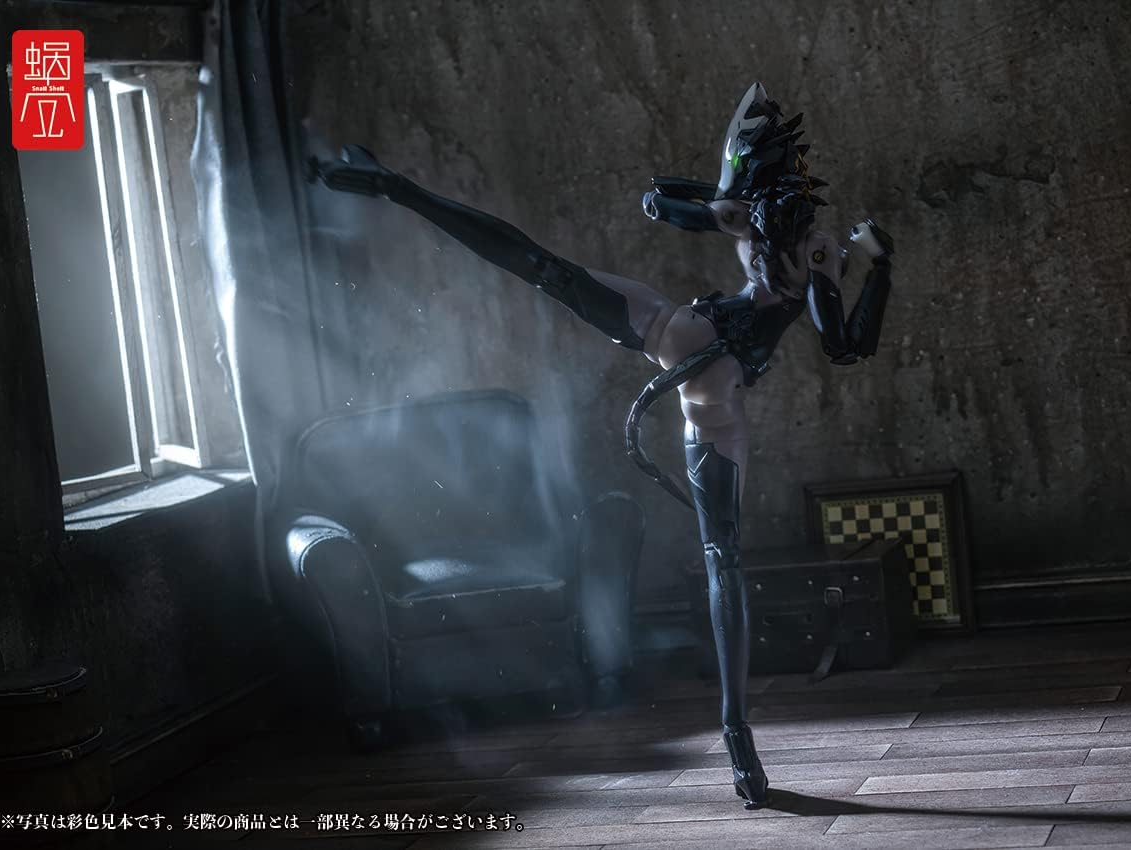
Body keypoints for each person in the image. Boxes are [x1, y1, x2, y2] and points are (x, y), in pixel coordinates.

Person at [313, 82, 894, 809]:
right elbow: (666, 205)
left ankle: (737, 736)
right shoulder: (754, 219)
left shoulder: (803, 244)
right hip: (678, 337)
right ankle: (395, 187)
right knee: (543, 268)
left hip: (707, 389)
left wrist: (873, 270)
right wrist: (712, 205)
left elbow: (843, 344)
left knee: (723, 561)